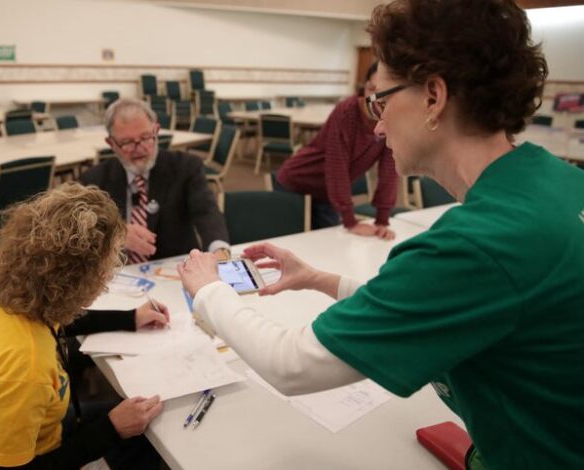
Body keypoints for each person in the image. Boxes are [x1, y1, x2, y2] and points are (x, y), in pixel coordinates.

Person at [178, 0, 584, 468]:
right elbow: (448, 302)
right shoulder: (559, 180)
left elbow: (290, 364)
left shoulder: (480, 243)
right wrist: (321, 280)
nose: (378, 123)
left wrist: (208, 289)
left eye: (383, 100)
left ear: (434, 97)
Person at [0, 184, 167, 469]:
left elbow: (57, 317)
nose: (107, 278)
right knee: (151, 435)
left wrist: (130, 317)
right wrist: (111, 429)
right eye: (107, 270)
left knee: (145, 425)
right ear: (77, 281)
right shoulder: (27, 367)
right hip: (17, 459)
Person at [80, 98, 230, 263]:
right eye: (127, 142)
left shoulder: (186, 167)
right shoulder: (94, 180)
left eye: (146, 137)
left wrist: (219, 251)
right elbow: (80, 230)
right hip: (119, 276)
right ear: (111, 143)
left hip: (176, 270)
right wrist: (114, 235)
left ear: (156, 130)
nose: (139, 148)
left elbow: (207, 212)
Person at [274, 63, 398, 239]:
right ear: (363, 89)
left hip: (327, 192)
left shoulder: (390, 118)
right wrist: (350, 220)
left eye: (385, 92)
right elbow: (336, 166)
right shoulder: (347, 111)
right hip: (296, 181)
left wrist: (382, 221)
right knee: (291, 241)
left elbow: (389, 170)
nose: (376, 98)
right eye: (372, 89)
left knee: (330, 243)